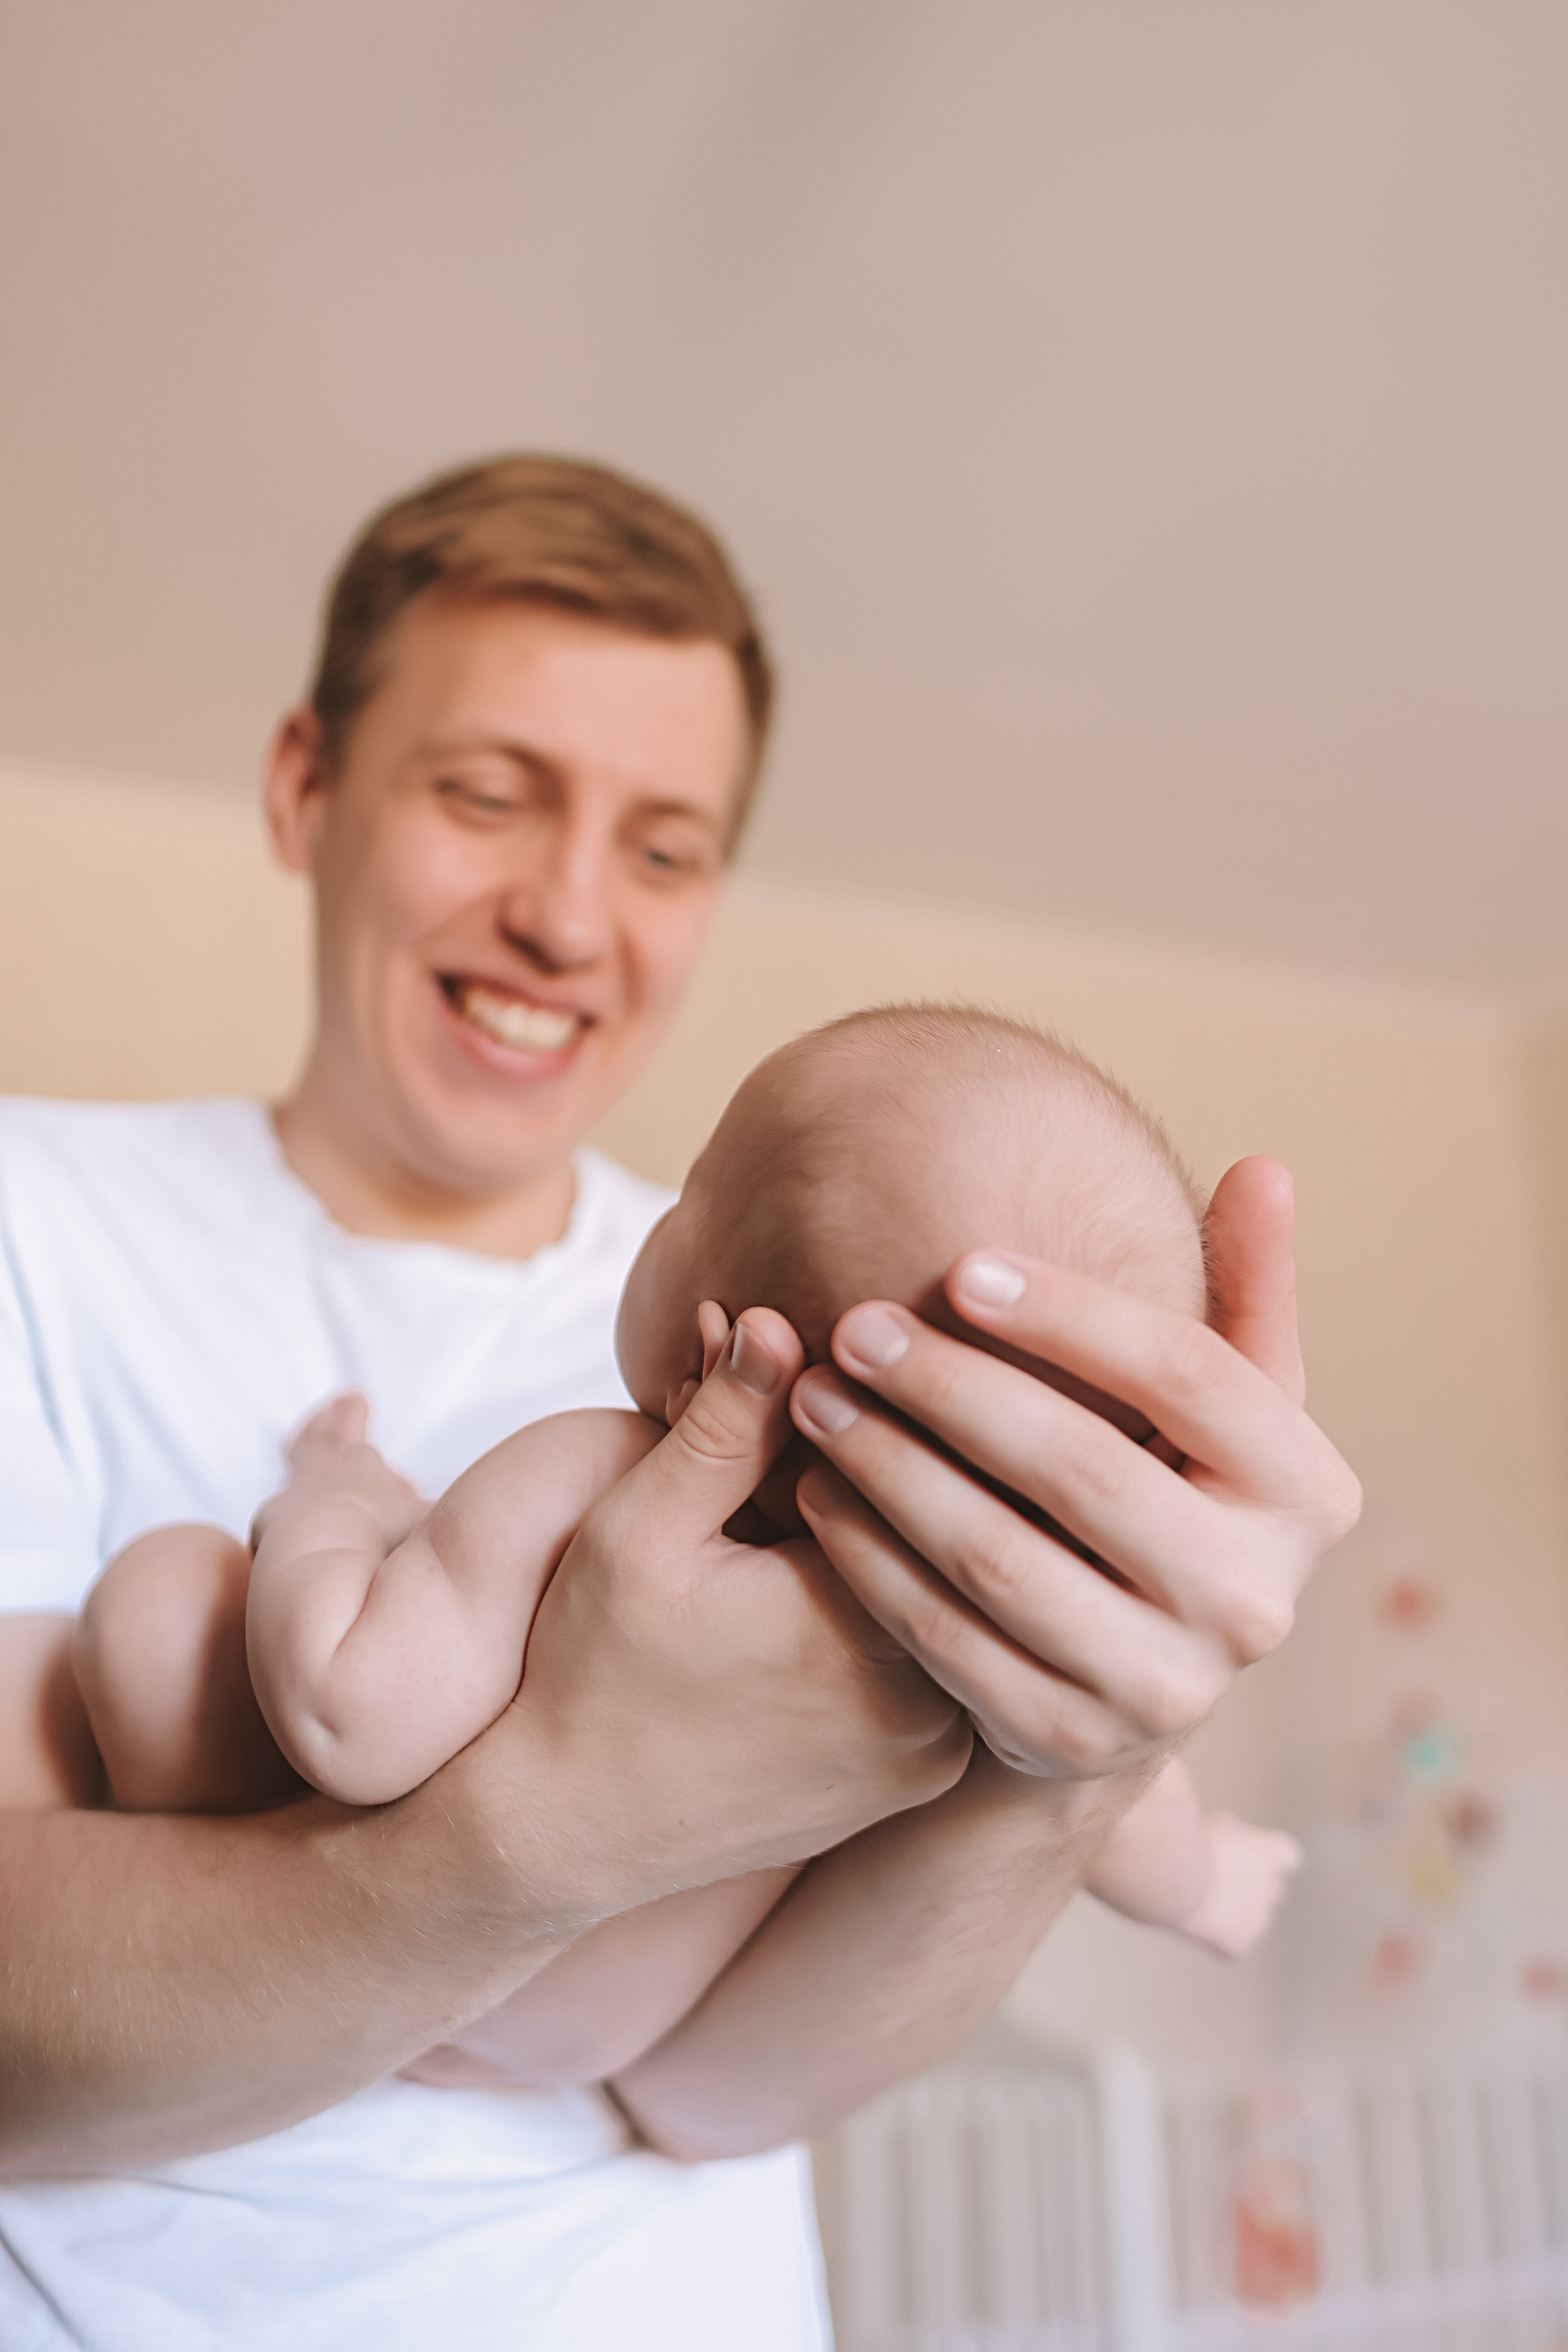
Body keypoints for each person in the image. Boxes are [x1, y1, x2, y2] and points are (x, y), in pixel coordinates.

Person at [0, 456, 1360, 2351]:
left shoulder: (782, 1355)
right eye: (489, 795)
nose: (568, 913)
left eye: (663, 846)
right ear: (309, 788)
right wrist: (551, 1836)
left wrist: (1103, 1734)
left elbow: (719, 2101)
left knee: (165, 1611)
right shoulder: (34, 1216)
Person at [72, 1002, 1304, 2043]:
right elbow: (1122, 1803)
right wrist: (1206, 1887)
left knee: (167, 1598)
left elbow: (350, 1709)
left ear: (700, 1341)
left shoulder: (589, 1469)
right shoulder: (962, 1655)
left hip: (442, 1985)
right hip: (625, 2031)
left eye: (677, 1212)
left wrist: (331, 1500)